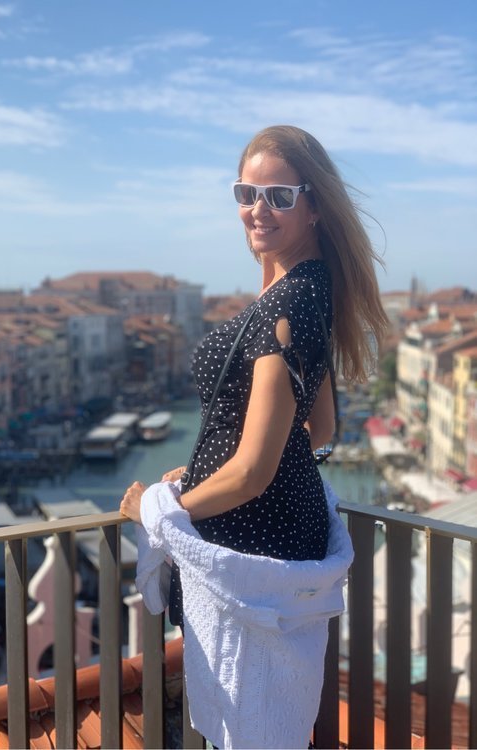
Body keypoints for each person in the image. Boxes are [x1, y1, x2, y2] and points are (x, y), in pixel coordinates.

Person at [120, 125, 389, 747]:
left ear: (314, 206)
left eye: (279, 196)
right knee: (267, 721)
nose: (258, 209)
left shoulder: (286, 305)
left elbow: (253, 472)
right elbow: (320, 429)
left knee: (250, 725)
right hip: (279, 540)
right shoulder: (306, 290)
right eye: (247, 193)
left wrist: (159, 510)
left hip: (253, 547)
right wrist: (206, 471)